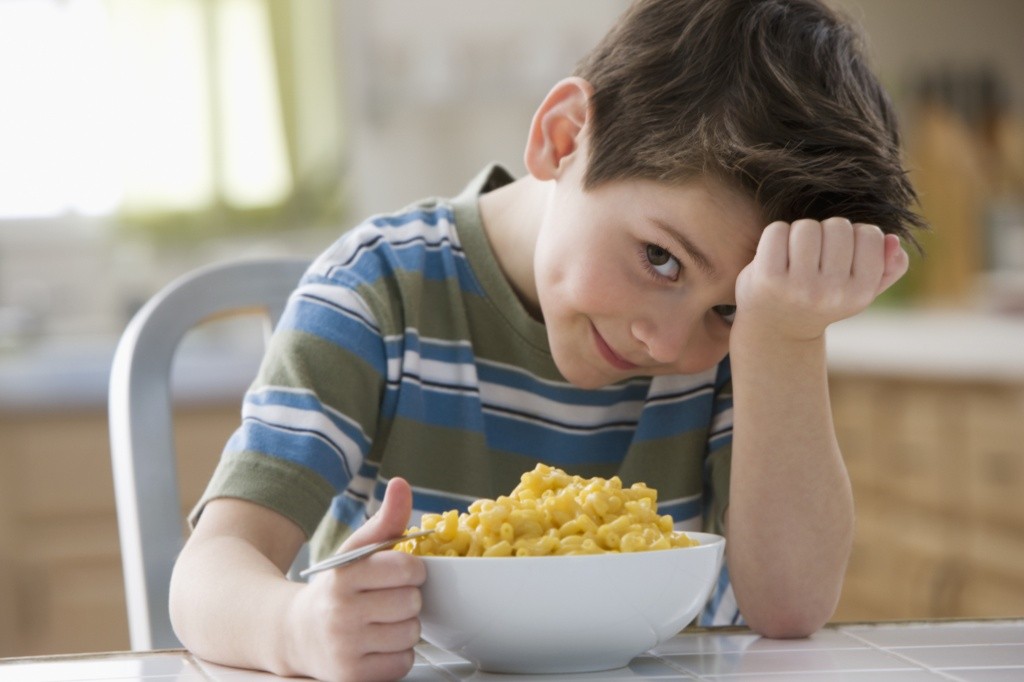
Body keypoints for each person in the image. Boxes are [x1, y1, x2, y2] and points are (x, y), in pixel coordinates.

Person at [169, 0, 925, 680]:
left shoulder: (749, 346)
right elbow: (208, 576)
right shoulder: (376, 295)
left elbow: (789, 610)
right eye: (660, 259)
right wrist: (296, 629)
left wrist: (784, 336)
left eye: (726, 310)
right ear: (562, 139)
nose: (666, 343)